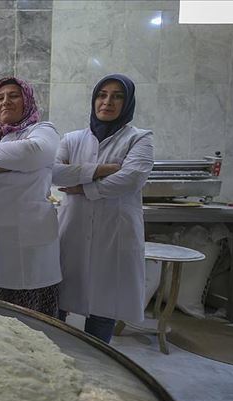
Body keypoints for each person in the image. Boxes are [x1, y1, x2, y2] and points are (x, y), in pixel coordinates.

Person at [53, 74, 153, 343]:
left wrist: (84, 188)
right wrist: (102, 171)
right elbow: (54, 173)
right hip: (72, 231)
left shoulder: (139, 139)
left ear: (128, 102)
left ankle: (97, 365)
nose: (107, 102)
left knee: (103, 309)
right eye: (102, 95)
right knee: (59, 303)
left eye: (117, 96)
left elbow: (131, 178)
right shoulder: (72, 139)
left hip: (114, 236)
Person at [0, 77, 61, 317]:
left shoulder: (43, 130)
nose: (5, 102)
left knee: (32, 323)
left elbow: (33, 152)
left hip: (29, 244)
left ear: (27, 100)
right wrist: (12, 163)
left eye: (13, 95)